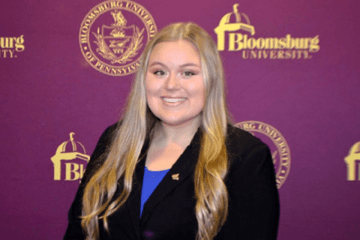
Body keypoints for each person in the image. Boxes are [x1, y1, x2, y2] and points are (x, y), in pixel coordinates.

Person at [64, 22, 279, 240]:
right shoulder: (114, 141)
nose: (171, 85)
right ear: (143, 80)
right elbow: (78, 232)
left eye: (188, 72)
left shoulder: (246, 157)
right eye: (160, 72)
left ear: (211, 81)